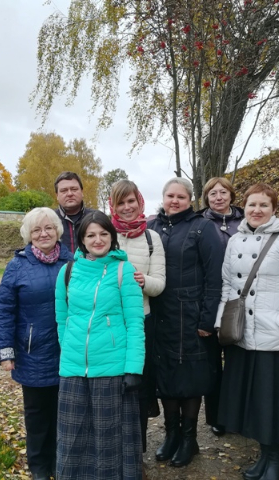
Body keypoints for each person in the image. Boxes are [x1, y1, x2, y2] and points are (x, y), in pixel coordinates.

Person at [215, 183, 279, 480]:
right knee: (252, 400)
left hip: (272, 333)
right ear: (244, 207)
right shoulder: (235, 240)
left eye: (263, 205)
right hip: (241, 332)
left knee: (270, 400)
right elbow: (227, 284)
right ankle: (264, 456)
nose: (257, 210)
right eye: (252, 205)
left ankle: (276, 461)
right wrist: (222, 322)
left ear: (274, 209)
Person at [54, 210, 146, 480]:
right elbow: (62, 317)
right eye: (91, 235)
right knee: (73, 436)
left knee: (108, 438)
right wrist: (68, 349)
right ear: (82, 239)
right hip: (73, 369)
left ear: (112, 236)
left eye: (104, 234)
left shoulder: (124, 271)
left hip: (112, 367)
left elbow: (135, 323)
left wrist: (133, 368)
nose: (98, 240)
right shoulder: (67, 272)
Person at [0, 208, 74, 480]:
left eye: (48, 228)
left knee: (64, 412)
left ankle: (60, 462)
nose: (43, 234)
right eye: (37, 230)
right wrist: (6, 352)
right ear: (28, 234)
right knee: (37, 413)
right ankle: (39, 465)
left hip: (67, 351)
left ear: (57, 231)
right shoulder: (17, 266)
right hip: (33, 353)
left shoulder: (72, 262)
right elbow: (4, 310)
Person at [147, 177, 223, 468]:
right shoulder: (153, 227)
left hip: (191, 315)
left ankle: (189, 438)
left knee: (190, 377)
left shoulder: (203, 228)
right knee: (166, 374)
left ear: (190, 199)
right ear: (163, 197)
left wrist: (207, 318)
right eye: (170, 196)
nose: (175, 201)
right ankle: (172, 434)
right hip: (160, 314)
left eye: (181, 196)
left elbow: (215, 277)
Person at [109, 180, 166, 454]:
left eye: (131, 201)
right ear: (113, 206)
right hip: (108, 324)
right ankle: (112, 449)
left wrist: (144, 282)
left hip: (141, 322)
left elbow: (160, 284)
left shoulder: (152, 238)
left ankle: (137, 452)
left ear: (139, 201)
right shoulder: (105, 233)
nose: (126, 207)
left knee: (139, 388)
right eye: (120, 202)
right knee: (110, 386)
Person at [199, 177, 244, 437]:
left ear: (231, 195)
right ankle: (216, 416)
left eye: (223, 192)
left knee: (238, 360)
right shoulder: (200, 223)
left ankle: (237, 413)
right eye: (213, 193)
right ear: (206, 197)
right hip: (210, 296)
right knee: (212, 362)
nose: (218, 197)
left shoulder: (245, 221)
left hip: (239, 297)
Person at [53, 171, 96, 252]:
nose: (69, 194)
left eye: (74, 189)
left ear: (82, 192)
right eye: (64, 191)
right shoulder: (49, 219)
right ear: (57, 195)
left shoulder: (96, 217)